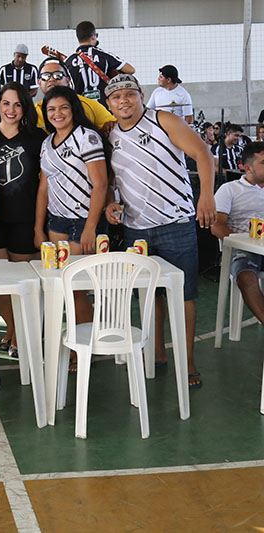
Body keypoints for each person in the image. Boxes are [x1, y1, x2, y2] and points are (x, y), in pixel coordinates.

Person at [104, 74, 216, 389]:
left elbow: (203, 153)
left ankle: (188, 359)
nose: (123, 101)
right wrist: (110, 202)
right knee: (149, 296)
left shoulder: (163, 120)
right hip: (136, 230)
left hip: (175, 224)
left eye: (129, 94)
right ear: (109, 104)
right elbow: (112, 180)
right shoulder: (110, 136)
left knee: (184, 295)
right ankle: (157, 353)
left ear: (142, 96)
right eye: (116, 97)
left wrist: (206, 196)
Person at [35, 86, 109, 369]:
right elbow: (44, 187)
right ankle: (76, 343)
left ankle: (84, 349)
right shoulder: (47, 143)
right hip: (57, 220)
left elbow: (100, 184)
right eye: (51, 109)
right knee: (62, 287)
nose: (57, 114)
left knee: (75, 288)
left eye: (63, 108)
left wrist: (91, 227)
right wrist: (38, 227)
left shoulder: (87, 137)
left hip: (83, 221)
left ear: (73, 109)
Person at [0, 82, 47, 358]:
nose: (10, 110)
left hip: (25, 217)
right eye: (6, 103)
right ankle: (14, 328)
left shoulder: (37, 138)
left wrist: (39, 226)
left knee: (24, 283)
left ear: (25, 108)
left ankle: (21, 334)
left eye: (17, 104)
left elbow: (45, 184)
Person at [211, 142, 264, 325]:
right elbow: (216, 225)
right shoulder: (230, 189)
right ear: (248, 168)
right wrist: (242, 242)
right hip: (243, 249)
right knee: (246, 276)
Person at [34, 58, 115, 134]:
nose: (51, 79)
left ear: (67, 80)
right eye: (45, 76)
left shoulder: (89, 104)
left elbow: (114, 125)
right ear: (39, 82)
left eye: (58, 75)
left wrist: (107, 128)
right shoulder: (33, 111)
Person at [65, 20, 134, 105]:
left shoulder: (68, 61)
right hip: (103, 107)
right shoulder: (104, 55)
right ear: (93, 37)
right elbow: (131, 70)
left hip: (81, 108)